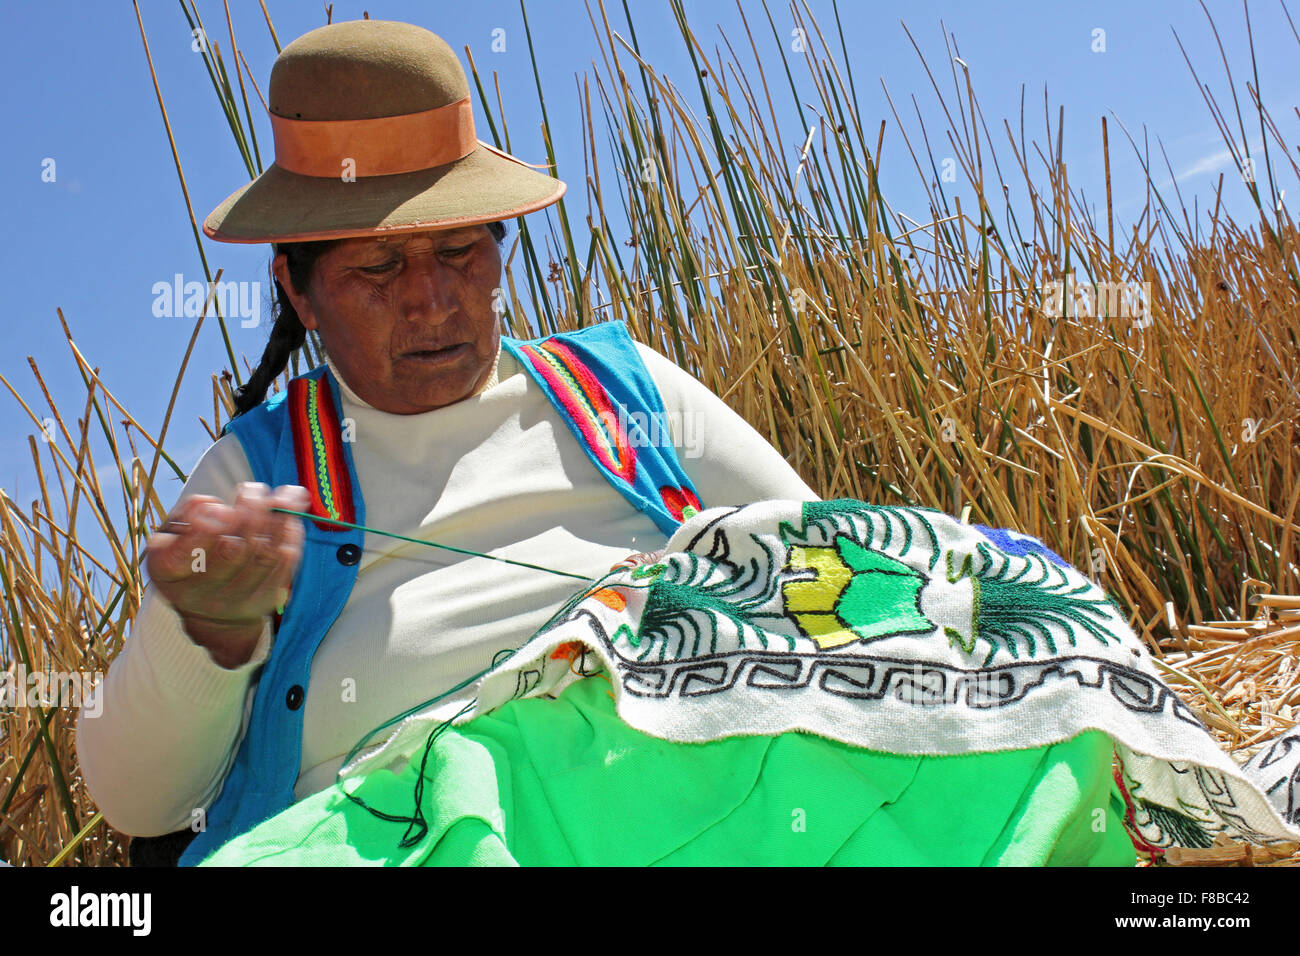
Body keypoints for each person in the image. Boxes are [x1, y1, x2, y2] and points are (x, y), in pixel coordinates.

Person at [75, 18, 816, 865]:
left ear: (501, 252)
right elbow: (139, 801)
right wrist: (205, 633)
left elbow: (840, 563)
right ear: (299, 290)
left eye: (460, 250)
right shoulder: (257, 475)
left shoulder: (622, 393)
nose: (431, 301)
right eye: (379, 269)